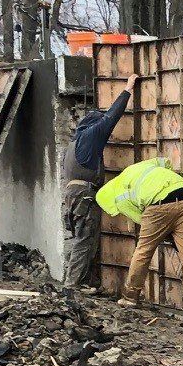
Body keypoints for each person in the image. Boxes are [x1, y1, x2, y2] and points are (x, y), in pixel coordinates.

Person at [95, 155, 183, 314]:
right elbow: (165, 161)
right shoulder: (135, 170)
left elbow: (142, 219)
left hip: (158, 205)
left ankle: (130, 297)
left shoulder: (119, 197)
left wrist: (164, 229)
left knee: (143, 251)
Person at [60, 73, 136, 286]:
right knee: (84, 240)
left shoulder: (73, 144)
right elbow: (111, 117)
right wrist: (127, 89)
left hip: (71, 195)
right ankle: (72, 285)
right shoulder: (91, 136)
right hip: (84, 194)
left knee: (82, 239)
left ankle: (82, 282)